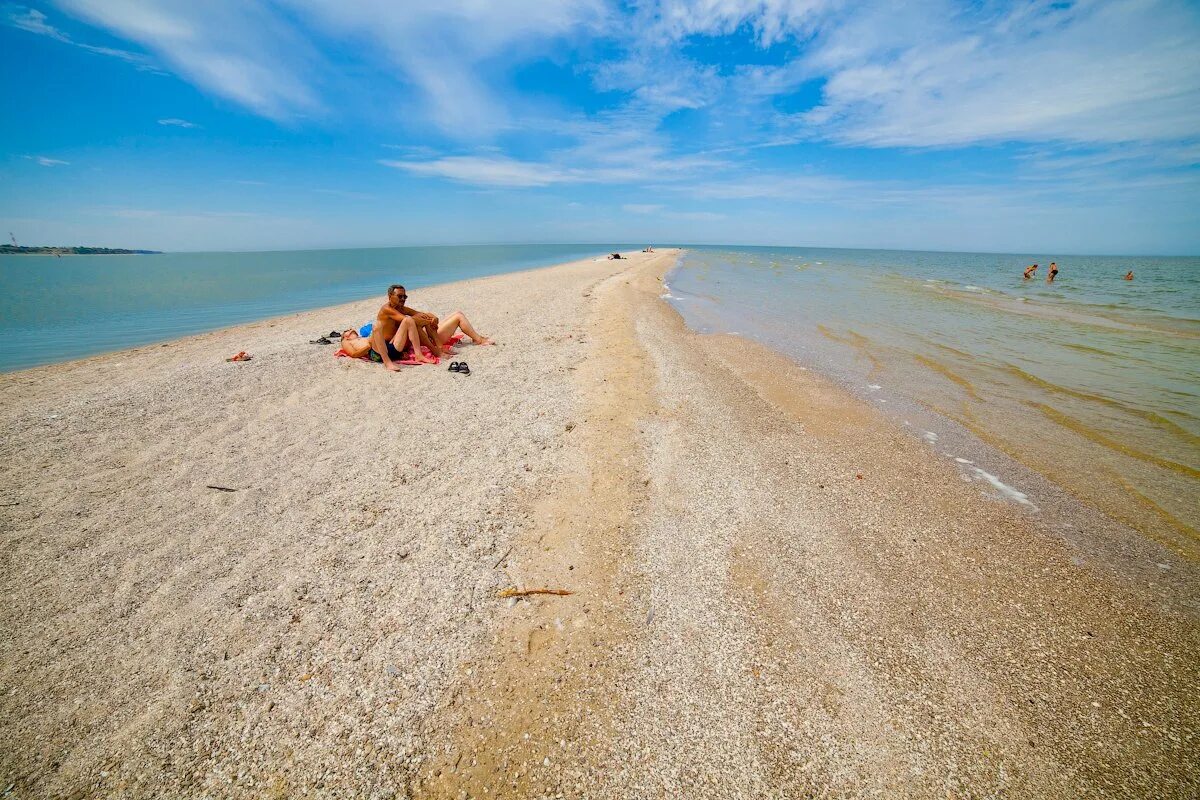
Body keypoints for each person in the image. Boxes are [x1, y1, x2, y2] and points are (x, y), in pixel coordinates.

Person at [343, 315, 430, 371]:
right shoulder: (346, 341)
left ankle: (419, 355)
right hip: (376, 354)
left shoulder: (362, 337)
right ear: (344, 336)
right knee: (377, 325)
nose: (350, 330)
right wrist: (368, 346)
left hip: (388, 349)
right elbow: (353, 354)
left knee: (408, 319)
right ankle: (387, 363)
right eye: (347, 331)